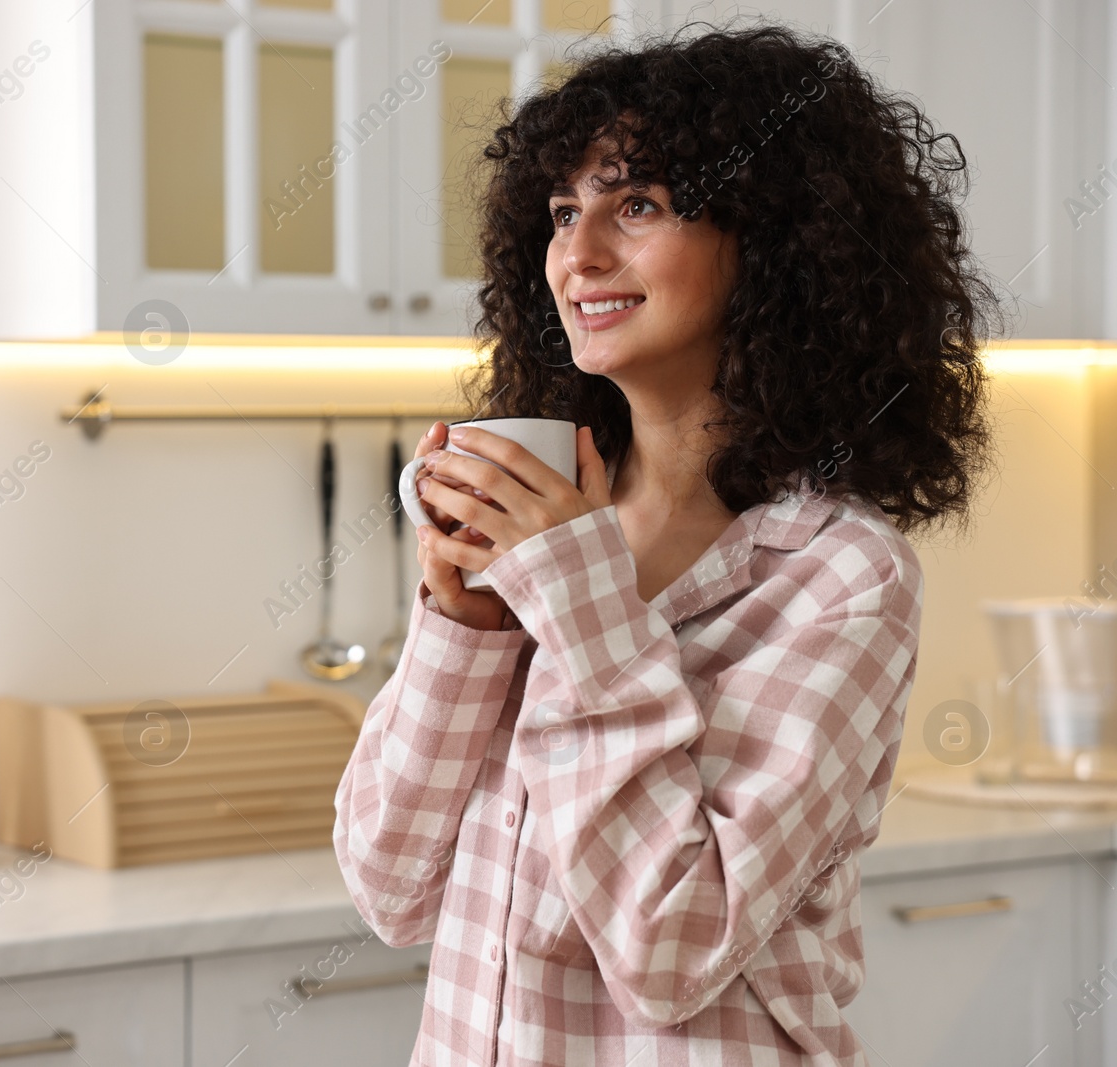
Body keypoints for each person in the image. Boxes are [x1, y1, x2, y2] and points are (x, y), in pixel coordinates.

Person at [333, 21, 997, 1066]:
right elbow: (389, 884)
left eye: (636, 204)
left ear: (774, 238)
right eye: (563, 212)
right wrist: (462, 625)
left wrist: (577, 602)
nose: (579, 255)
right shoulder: (538, 527)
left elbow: (672, 945)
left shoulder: (834, 576)